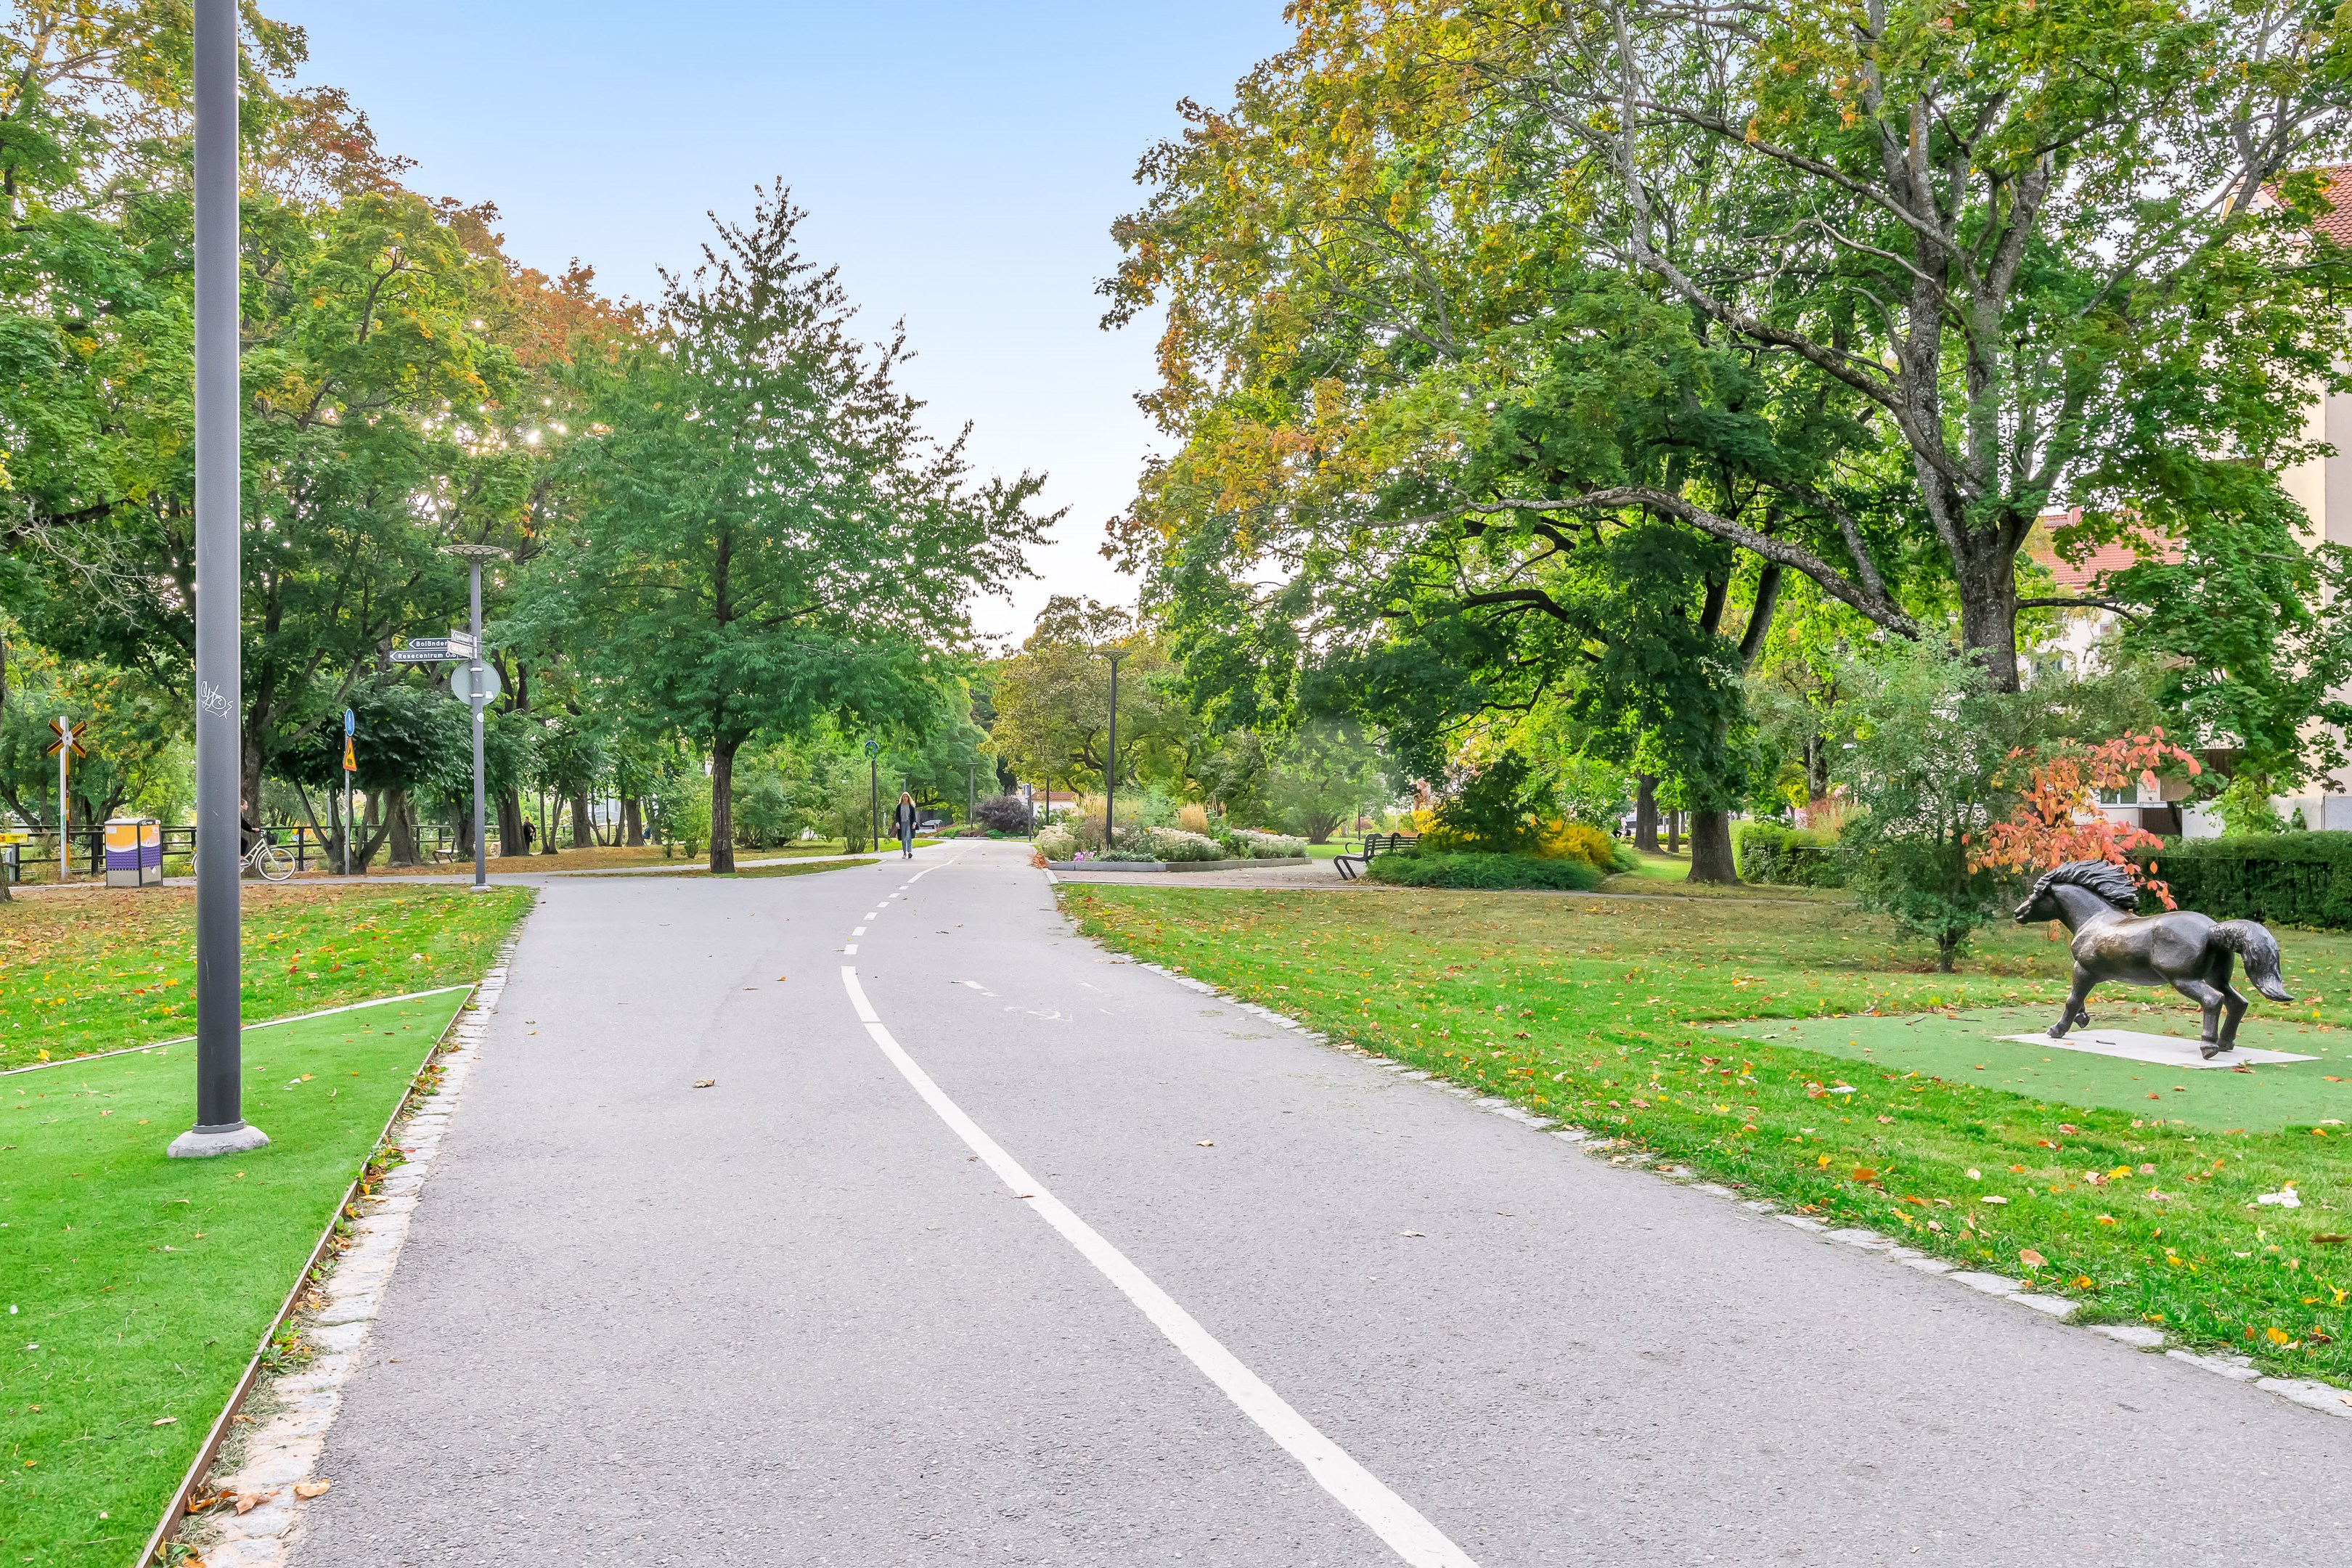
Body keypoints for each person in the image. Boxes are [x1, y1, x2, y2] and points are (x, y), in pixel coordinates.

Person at [892, 791, 919, 859]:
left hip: (909, 823)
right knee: (903, 838)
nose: (905, 798)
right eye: (904, 797)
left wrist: (914, 823)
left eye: (906, 797)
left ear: (908, 798)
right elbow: (897, 816)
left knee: (908, 837)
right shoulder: (899, 806)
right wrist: (897, 823)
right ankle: (904, 853)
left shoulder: (911, 806)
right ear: (902, 798)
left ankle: (909, 852)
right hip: (902, 823)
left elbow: (914, 816)